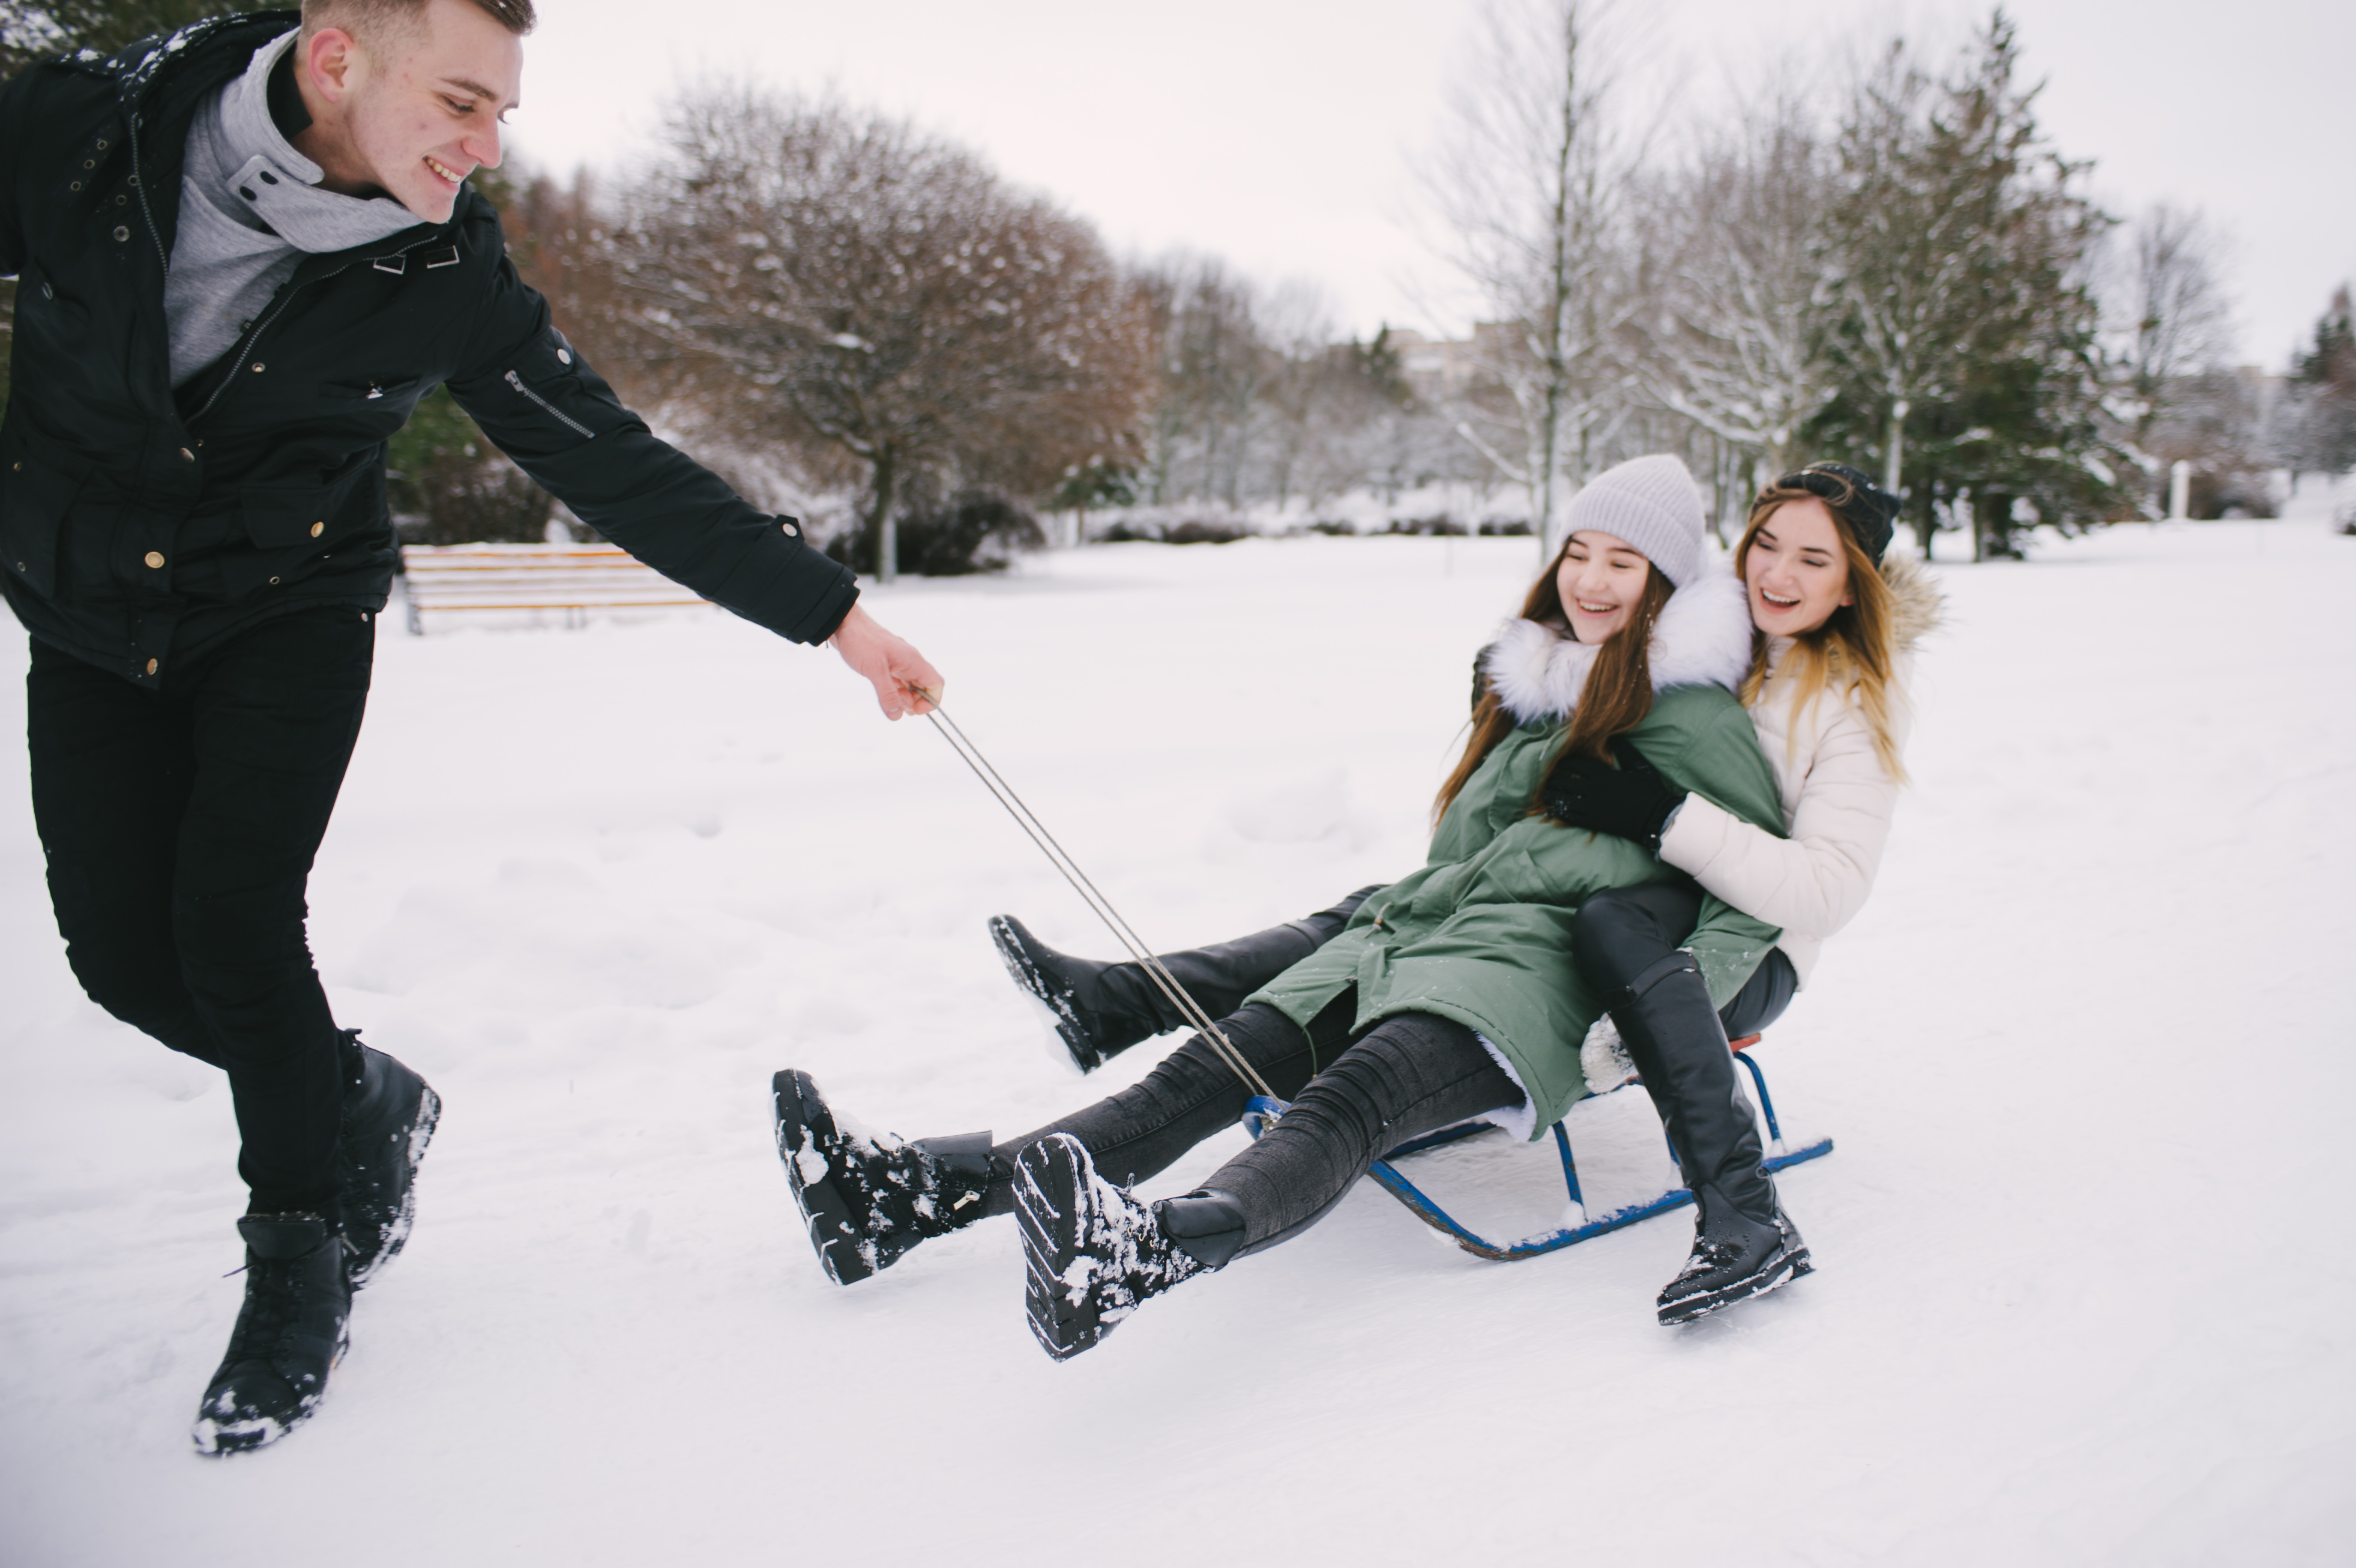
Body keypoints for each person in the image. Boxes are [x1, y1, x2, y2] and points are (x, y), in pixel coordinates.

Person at [1, 0, 941, 1452]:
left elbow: (608, 457)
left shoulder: (444, 266)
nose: (484, 145)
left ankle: (299, 1255)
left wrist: (834, 616)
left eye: (502, 112)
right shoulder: (81, 132)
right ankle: (360, 1098)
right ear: (335, 61)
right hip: (83, 611)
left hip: (288, 605)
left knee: (238, 935)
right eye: (458, 102)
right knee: (126, 962)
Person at [773, 453, 1798, 1360]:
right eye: (1578, 552)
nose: (1590, 580)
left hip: (1535, 981)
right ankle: (907, 1200)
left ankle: (1147, 1253)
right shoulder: (1537, 694)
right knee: (1201, 1072)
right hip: (1411, 935)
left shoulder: (1694, 715)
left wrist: (1644, 1028)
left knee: (1344, 1104)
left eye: (1623, 562)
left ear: (1665, 583)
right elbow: (1460, 853)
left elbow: (1748, 895)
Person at [993, 461, 1940, 1325]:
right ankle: (1113, 1012)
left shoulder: (1851, 704)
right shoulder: (1715, 637)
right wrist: (1522, 711)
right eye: (1766, 543)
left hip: (1748, 944)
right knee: (1390, 904)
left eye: (1813, 559)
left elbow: (1821, 891)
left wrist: (1659, 817)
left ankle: (1742, 1209)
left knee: (1603, 930)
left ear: (1851, 581)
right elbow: (1545, 782)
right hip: (1629, 896)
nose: (1778, 571)